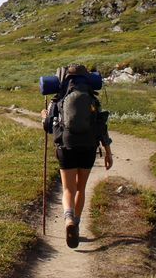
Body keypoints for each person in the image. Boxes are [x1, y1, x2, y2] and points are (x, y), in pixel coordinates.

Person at [41, 65, 113, 248]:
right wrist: (108, 152)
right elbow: (101, 126)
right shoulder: (92, 99)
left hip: (67, 146)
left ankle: (68, 221)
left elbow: (48, 126)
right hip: (88, 147)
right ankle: (77, 223)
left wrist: (44, 116)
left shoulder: (58, 99)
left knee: (68, 189)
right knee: (81, 188)